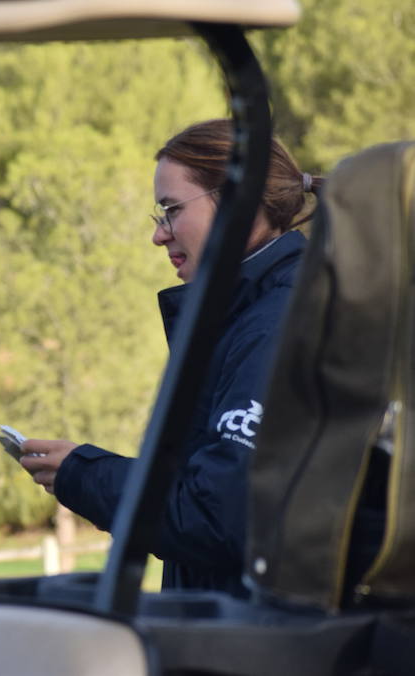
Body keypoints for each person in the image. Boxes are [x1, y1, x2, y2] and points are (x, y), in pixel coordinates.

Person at [18, 119, 322, 595]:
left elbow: (214, 515)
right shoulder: (262, 311)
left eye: (172, 210)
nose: (159, 236)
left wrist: (82, 473)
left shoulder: (276, 322)